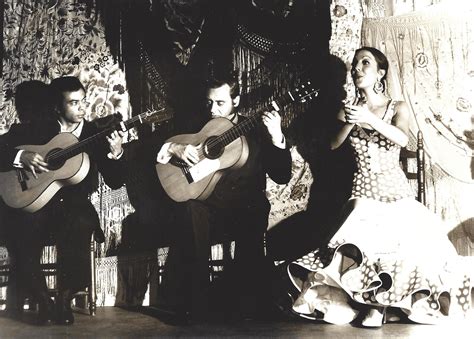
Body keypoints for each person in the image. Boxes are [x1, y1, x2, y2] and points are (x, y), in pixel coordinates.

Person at [286, 47, 473, 327]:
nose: (358, 69)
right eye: (355, 65)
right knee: (359, 226)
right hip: (363, 191)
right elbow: (333, 145)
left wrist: (370, 118)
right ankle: (373, 304)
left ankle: (386, 304)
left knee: (410, 241)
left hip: (395, 191)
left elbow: (401, 139)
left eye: (365, 63)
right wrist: (352, 119)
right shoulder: (346, 109)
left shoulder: (397, 107)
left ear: (380, 73)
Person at [156, 71, 292, 321]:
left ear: (236, 100)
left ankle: (245, 302)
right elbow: (159, 148)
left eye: (220, 103)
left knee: (254, 209)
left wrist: (276, 137)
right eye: (209, 102)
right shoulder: (197, 124)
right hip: (208, 208)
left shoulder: (258, 130)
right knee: (189, 210)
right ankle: (196, 302)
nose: (213, 110)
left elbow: (282, 176)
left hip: (244, 208)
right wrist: (175, 147)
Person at [0, 76, 125, 325]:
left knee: (80, 223)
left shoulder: (95, 135)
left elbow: (115, 180)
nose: (81, 108)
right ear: (58, 107)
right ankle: (43, 299)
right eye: (73, 103)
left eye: (83, 101)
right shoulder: (36, 128)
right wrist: (20, 155)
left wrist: (117, 152)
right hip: (36, 204)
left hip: (74, 207)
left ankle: (65, 299)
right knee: (23, 224)